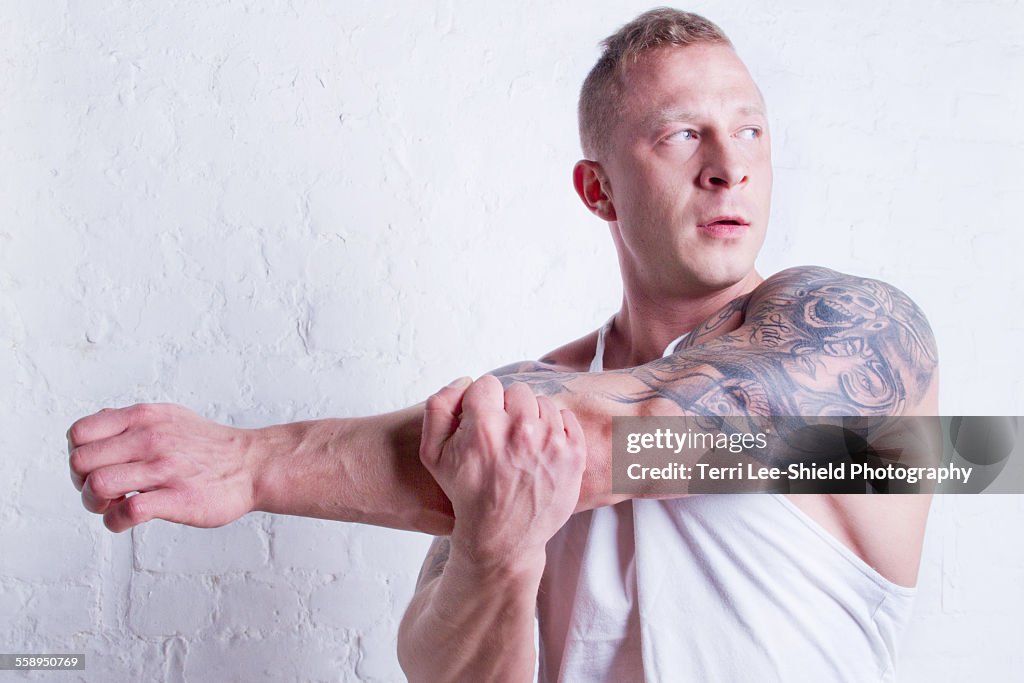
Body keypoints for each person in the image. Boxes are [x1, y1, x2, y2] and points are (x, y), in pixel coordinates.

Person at [67, 8, 938, 681]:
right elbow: (435, 666)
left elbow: (627, 441)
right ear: (598, 190)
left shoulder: (861, 333)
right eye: (681, 134)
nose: (728, 164)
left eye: (749, 128)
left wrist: (254, 461)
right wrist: (498, 553)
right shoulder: (521, 394)